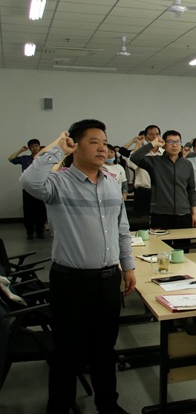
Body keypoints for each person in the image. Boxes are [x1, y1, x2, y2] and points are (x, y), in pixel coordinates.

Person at [20, 121, 136, 414]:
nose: (103, 148)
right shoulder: (58, 183)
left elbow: (122, 230)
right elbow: (29, 181)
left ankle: (108, 406)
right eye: (94, 142)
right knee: (67, 353)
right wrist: (56, 150)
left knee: (105, 350)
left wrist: (128, 266)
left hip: (108, 279)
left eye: (105, 142)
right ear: (75, 146)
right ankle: (59, 408)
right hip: (71, 282)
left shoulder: (111, 183)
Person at [130, 130, 196, 229]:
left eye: (178, 142)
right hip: (160, 214)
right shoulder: (155, 162)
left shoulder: (187, 164)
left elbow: (191, 190)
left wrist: (194, 213)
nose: (175, 145)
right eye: (170, 142)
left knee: (184, 239)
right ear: (164, 144)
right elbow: (134, 158)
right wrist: (152, 144)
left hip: (183, 213)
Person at [8, 139, 46, 239]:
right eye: (32, 146)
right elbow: (11, 159)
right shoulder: (25, 159)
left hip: (40, 189)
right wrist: (21, 150)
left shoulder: (43, 158)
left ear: (39, 147)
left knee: (41, 211)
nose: (35, 148)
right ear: (29, 148)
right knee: (28, 212)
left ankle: (40, 231)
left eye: (37, 146)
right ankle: (29, 232)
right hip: (28, 189)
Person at [120, 125, 161, 213]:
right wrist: (138, 144)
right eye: (151, 134)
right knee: (142, 218)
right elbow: (131, 164)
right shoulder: (139, 152)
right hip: (143, 191)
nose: (154, 137)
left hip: (160, 191)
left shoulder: (164, 153)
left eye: (157, 134)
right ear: (146, 137)